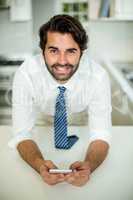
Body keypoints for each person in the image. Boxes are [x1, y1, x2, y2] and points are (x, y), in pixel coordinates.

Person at [9, 14, 112, 187]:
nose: (62, 61)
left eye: (71, 51)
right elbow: (22, 132)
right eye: (53, 50)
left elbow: (101, 133)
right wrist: (39, 164)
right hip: (41, 124)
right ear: (43, 51)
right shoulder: (26, 73)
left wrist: (89, 166)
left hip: (81, 124)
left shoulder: (98, 76)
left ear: (81, 52)